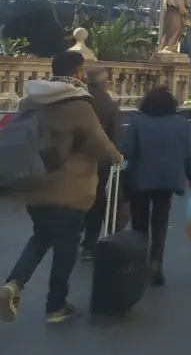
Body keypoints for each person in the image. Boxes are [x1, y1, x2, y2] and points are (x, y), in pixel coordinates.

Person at [0, 51, 123, 324]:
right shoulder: (77, 104)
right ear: (77, 72)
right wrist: (117, 156)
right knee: (66, 247)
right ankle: (56, 306)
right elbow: (99, 141)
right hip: (69, 188)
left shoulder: (31, 101)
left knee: (40, 237)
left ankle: (14, 282)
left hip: (35, 183)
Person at [121, 86, 191, 286]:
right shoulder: (183, 125)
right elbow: (190, 153)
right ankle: (156, 261)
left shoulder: (137, 122)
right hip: (168, 179)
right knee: (160, 221)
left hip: (140, 178)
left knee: (139, 223)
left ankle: (139, 262)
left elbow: (126, 151)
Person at [80, 66, 123, 261]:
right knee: (96, 202)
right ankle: (89, 244)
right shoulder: (108, 105)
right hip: (100, 161)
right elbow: (115, 136)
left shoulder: (76, 100)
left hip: (73, 158)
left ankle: (68, 237)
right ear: (105, 83)